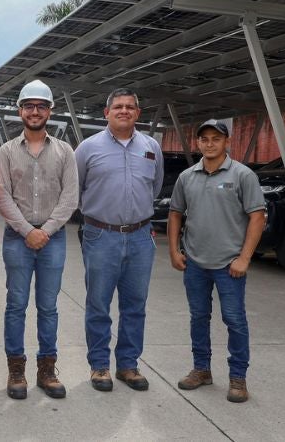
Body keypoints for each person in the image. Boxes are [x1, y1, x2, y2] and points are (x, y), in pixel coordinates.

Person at [167, 119, 265, 403]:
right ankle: (202, 369)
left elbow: (257, 217)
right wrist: (174, 251)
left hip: (229, 265)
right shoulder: (187, 177)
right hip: (195, 263)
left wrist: (244, 258)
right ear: (198, 142)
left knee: (234, 320)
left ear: (227, 142)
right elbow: (175, 213)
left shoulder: (243, 175)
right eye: (204, 139)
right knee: (198, 317)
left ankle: (238, 377)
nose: (209, 144)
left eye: (216, 139)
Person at [0, 79, 79, 400]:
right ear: (20, 111)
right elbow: (2, 196)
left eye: (41, 106)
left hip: (53, 239)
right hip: (17, 238)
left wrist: (47, 230)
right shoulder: (6, 152)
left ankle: (46, 370)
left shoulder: (64, 151)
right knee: (16, 305)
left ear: (50, 111)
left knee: (48, 306)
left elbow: (70, 197)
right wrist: (28, 231)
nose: (35, 111)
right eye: (29, 106)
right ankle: (17, 370)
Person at [74, 88, 163, 392]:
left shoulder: (151, 146)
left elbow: (156, 185)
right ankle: (100, 366)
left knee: (135, 305)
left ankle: (128, 365)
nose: (124, 111)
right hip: (101, 235)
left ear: (138, 113)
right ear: (106, 113)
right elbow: (77, 187)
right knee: (98, 304)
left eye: (130, 107)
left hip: (140, 236)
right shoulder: (87, 148)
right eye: (118, 107)